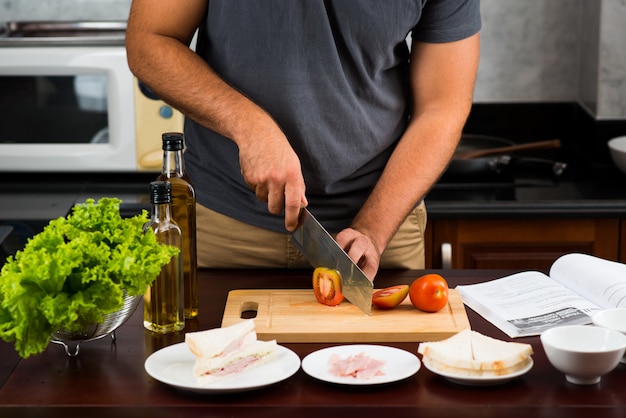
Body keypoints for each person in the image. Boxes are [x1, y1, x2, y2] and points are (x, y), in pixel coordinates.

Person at [126, 1, 481, 280]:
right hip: (225, 228)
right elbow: (150, 41)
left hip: (379, 230)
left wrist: (373, 228)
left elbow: (442, 107)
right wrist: (249, 125)